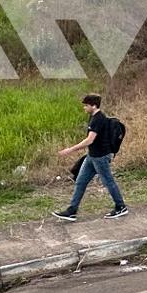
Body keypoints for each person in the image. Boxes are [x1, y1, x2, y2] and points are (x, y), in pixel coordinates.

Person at [53, 92, 128, 221]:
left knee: (108, 181)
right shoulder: (94, 117)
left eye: (86, 105)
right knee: (80, 181)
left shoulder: (98, 119)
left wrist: (70, 150)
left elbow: (89, 140)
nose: (84, 107)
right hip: (92, 156)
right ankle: (72, 211)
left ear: (94, 106)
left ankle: (121, 207)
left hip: (100, 157)